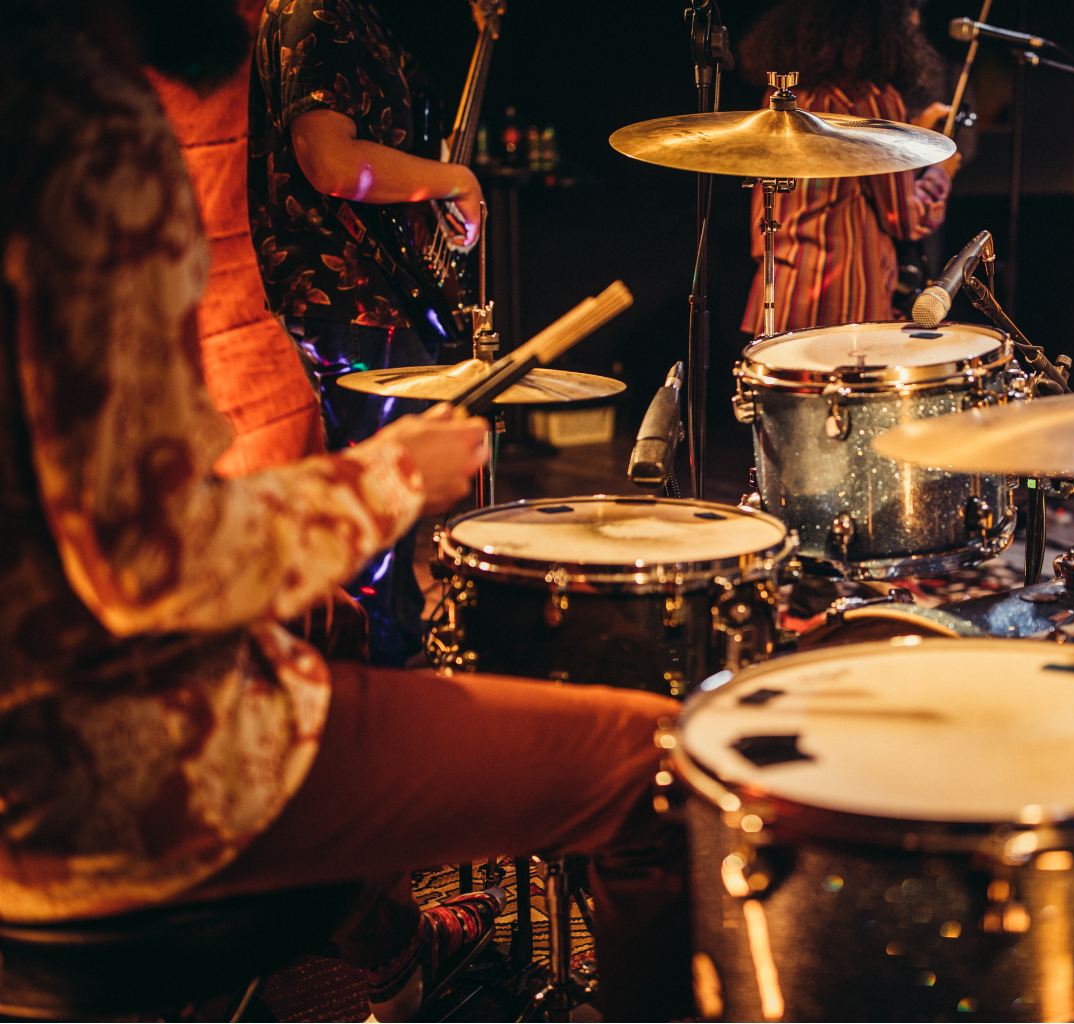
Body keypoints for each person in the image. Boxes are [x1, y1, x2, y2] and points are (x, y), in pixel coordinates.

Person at [0, 2, 691, 1020]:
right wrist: (391, 477)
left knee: (341, 624)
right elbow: (145, 559)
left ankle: (377, 955)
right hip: (112, 784)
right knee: (656, 766)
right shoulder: (85, 138)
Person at [249, 0, 486, 665]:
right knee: (364, 533)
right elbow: (328, 161)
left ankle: (395, 669)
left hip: (377, 302)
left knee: (390, 535)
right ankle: (365, 690)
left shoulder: (361, 19)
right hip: (342, 306)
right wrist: (455, 179)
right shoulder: (314, 10)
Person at [738, 0, 961, 337]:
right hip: (843, 299)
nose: (914, 20)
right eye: (907, 12)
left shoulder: (784, 97)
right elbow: (903, 218)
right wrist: (940, 172)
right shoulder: (872, 100)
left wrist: (908, 133)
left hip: (779, 291)